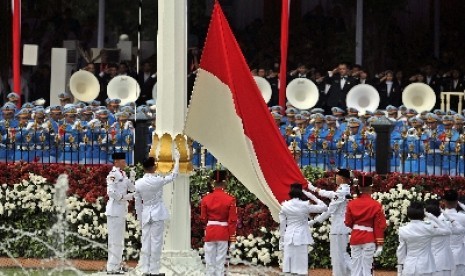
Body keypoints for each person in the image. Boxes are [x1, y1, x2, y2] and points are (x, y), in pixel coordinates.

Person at [134, 150, 180, 276]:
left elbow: (138, 204)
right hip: (157, 213)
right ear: (153, 167)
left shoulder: (138, 183)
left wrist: (140, 218)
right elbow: (174, 175)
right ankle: (154, 270)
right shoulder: (158, 180)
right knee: (156, 243)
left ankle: (145, 270)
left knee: (146, 243)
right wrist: (176, 160)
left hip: (146, 214)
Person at [307, 169, 352, 276]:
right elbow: (330, 194)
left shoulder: (342, 191)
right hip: (340, 227)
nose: (335, 178)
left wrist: (316, 221)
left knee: (339, 255)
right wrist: (312, 188)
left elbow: (330, 209)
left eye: (337, 176)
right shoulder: (342, 190)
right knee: (340, 254)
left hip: (339, 228)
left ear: (341, 178)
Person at [279, 183, 328, 275]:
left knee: (288, 267)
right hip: (301, 237)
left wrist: (281, 240)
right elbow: (324, 207)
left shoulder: (284, 206)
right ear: (301, 193)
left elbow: (282, 225)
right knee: (301, 268)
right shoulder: (305, 205)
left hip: (289, 237)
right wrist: (311, 195)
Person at [344, 175, 387, 276]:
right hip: (369, 238)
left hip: (355, 237)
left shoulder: (351, 203)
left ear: (358, 187)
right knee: (367, 269)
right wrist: (380, 244)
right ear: (371, 187)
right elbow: (380, 226)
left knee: (355, 268)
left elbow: (348, 222)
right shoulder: (376, 205)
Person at [396, 201, 451, 276]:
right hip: (426, 266)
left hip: (409, 266)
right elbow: (448, 231)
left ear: (408, 215)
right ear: (423, 214)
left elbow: (401, 251)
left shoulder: (403, 230)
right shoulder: (428, 228)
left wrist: (399, 270)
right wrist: (432, 217)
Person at [200, 170, 238, 276]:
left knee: (209, 261)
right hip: (223, 232)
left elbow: (203, 218)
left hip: (210, 231)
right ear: (225, 183)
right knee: (220, 262)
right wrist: (233, 238)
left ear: (213, 183)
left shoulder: (206, 199)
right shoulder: (230, 199)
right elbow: (232, 220)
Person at [105, 152, 136, 274]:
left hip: (120, 211)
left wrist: (133, 178)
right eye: (123, 161)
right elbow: (110, 192)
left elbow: (133, 188)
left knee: (119, 240)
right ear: (116, 162)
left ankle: (116, 265)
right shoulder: (113, 175)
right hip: (114, 211)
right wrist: (124, 197)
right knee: (114, 240)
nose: (125, 163)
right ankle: (112, 267)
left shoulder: (123, 174)